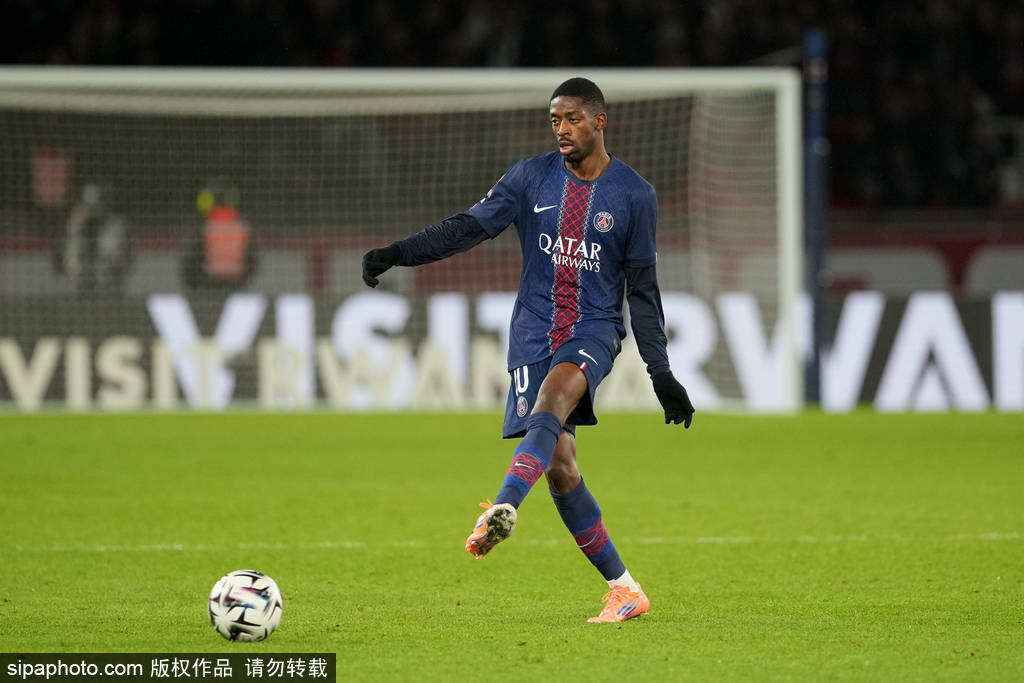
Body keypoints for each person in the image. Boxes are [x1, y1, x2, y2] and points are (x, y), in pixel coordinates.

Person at [361, 77, 694, 623]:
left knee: (553, 399)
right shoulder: (530, 177)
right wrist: (398, 253)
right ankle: (625, 589)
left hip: (594, 329)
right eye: (555, 120)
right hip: (532, 333)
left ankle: (503, 505)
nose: (562, 129)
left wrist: (659, 371)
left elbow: (643, 289)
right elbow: (466, 229)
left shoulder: (635, 195)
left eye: (572, 119)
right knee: (561, 467)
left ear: (599, 121)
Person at [54, 183, 132, 296]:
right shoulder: (74, 224)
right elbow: (63, 253)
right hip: (78, 283)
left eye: (96, 205)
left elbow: (126, 255)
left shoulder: (115, 225)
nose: (92, 211)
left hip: (108, 281)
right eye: (88, 206)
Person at [182, 183, 257, 290]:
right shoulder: (243, 226)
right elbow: (252, 260)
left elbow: (191, 260)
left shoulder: (203, 228)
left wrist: (195, 285)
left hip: (208, 284)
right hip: (236, 284)